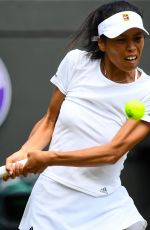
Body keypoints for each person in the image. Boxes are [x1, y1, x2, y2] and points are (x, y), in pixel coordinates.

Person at [3, 0, 150, 229]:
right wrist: (26, 151)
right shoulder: (76, 62)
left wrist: (49, 158)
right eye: (121, 40)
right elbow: (50, 119)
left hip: (107, 204)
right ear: (102, 43)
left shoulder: (147, 92)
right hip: (52, 200)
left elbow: (111, 153)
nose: (131, 48)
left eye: (137, 38)